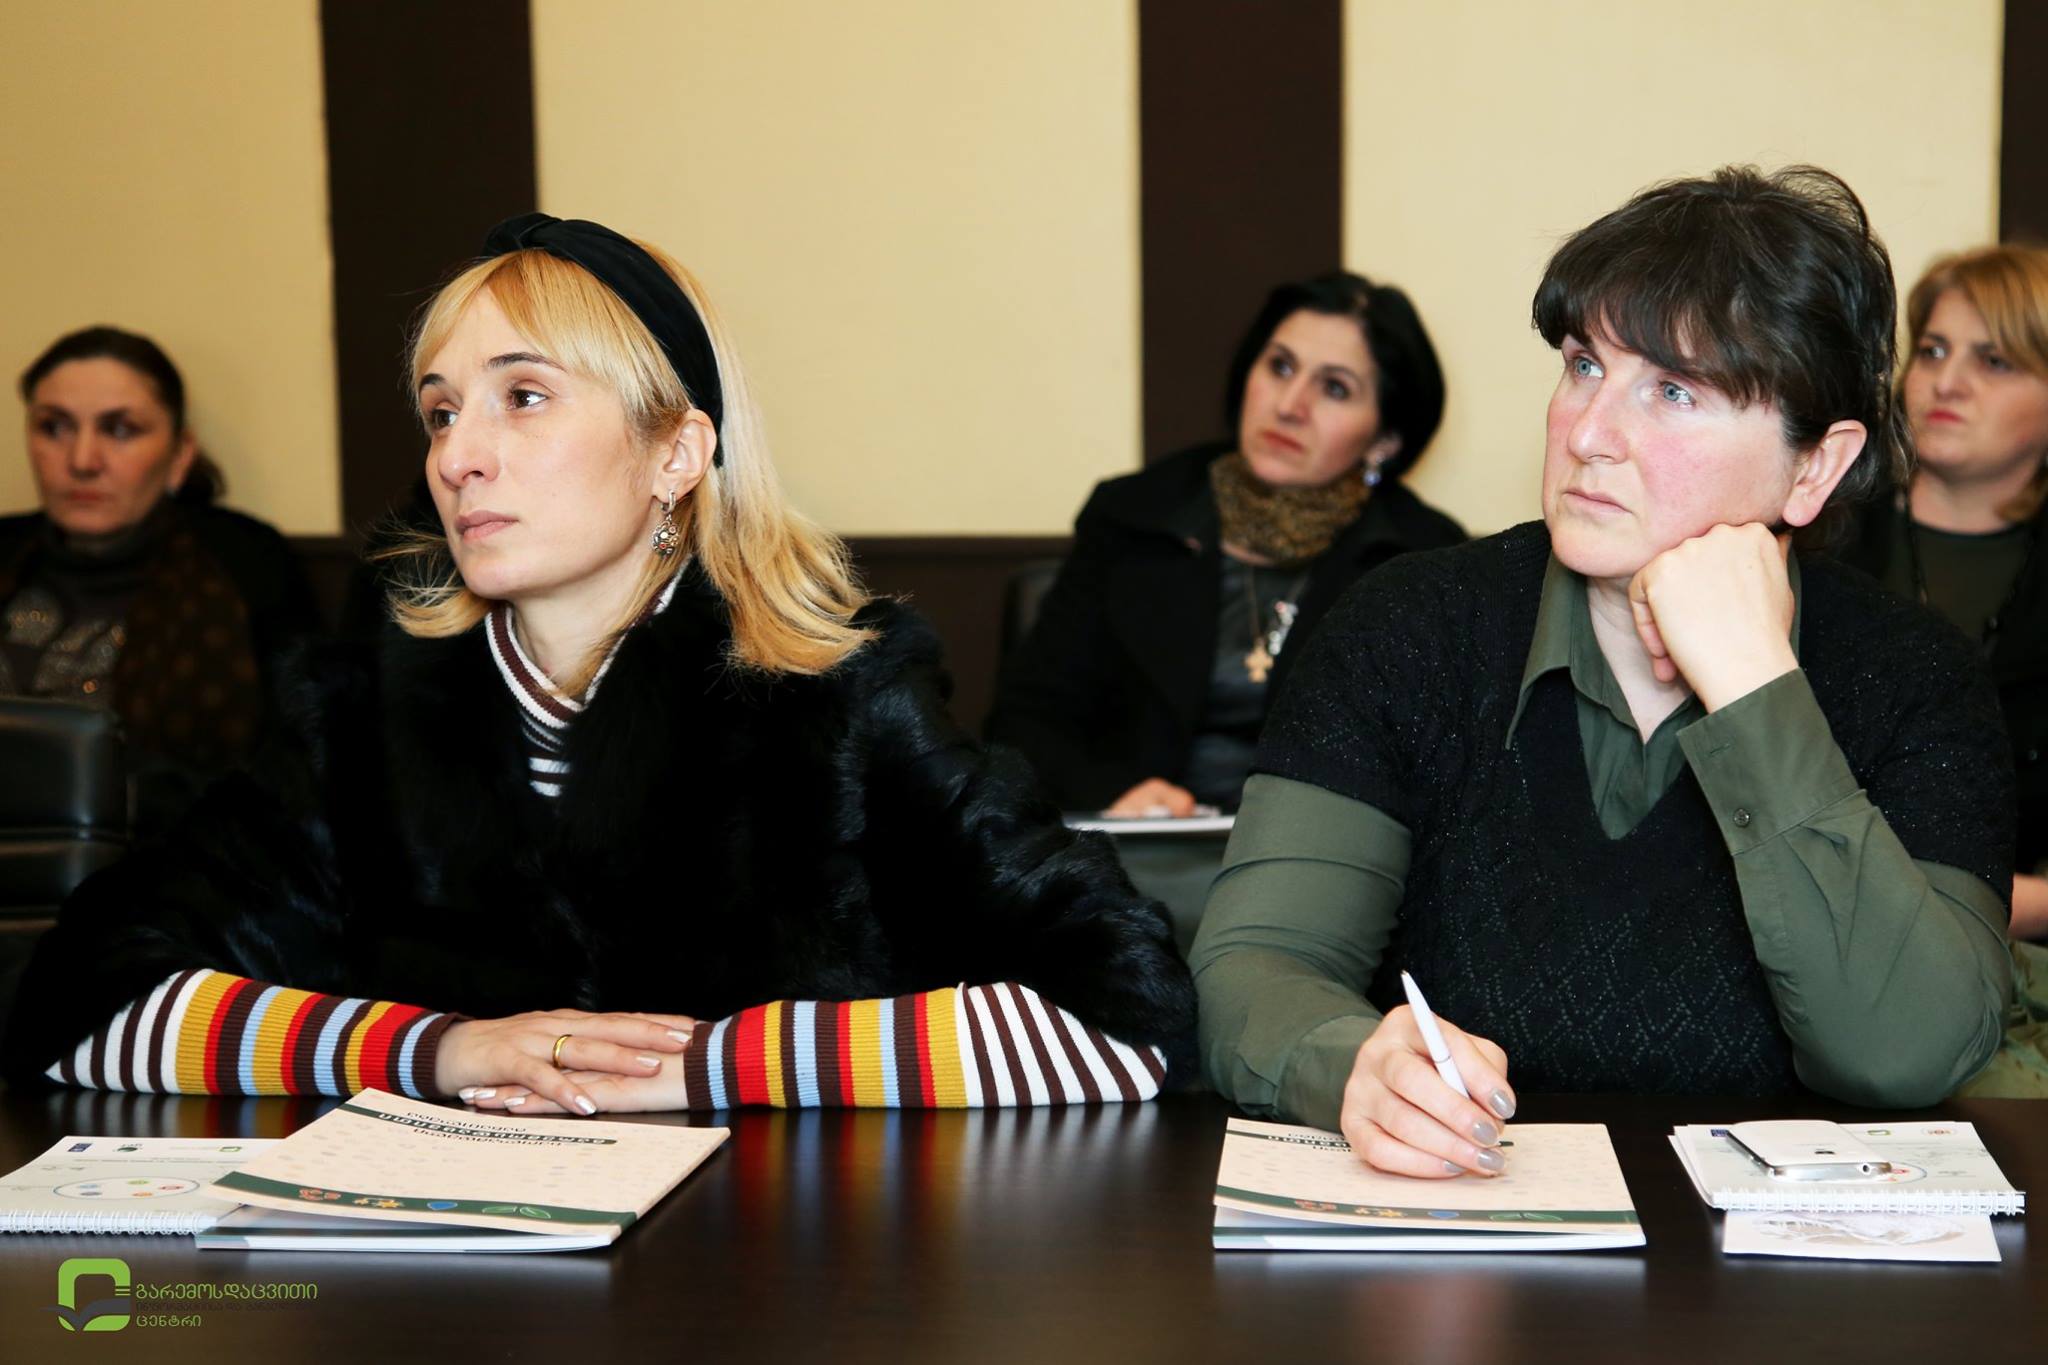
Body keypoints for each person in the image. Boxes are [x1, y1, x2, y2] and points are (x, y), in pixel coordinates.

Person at [1, 215, 1193, 1114]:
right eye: (440, 411)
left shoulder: (837, 702)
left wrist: (717, 1063)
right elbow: (76, 1002)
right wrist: (433, 1049)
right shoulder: (354, 714)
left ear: (677, 452)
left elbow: (1129, 1017)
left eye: (522, 397)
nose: (457, 457)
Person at [1191, 167, 2014, 1177]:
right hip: (1461, 1234)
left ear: (1814, 467)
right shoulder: (1407, 626)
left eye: (1672, 391)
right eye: (1584, 366)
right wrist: (1353, 1066)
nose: (1586, 434)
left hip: (1770, 1265)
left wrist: (1757, 693)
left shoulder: (1914, 677)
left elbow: (1907, 1052)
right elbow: (1256, 963)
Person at [987, 273, 1464, 815]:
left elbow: (1440, 766)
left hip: (1323, 852)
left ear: (1384, 440)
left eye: (1334, 388)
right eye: (1279, 367)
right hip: (1138, 847)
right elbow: (1025, 723)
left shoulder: (1421, 557)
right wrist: (1113, 797)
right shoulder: (1135, 515)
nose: (1290, 405)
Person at [2, 327, 319, 828]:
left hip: (169, 857)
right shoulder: (6, 551)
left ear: (179, 455)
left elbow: (301, 762)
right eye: (54, 427)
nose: (82, 461)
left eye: (120, 429)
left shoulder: (243, 562)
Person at [1837, 245, 2048, 939]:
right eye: (1932, 352)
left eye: (1994, 361)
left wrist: (1974, 905)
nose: (1946, 383)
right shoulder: (1820, 528)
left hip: (2005, 942)